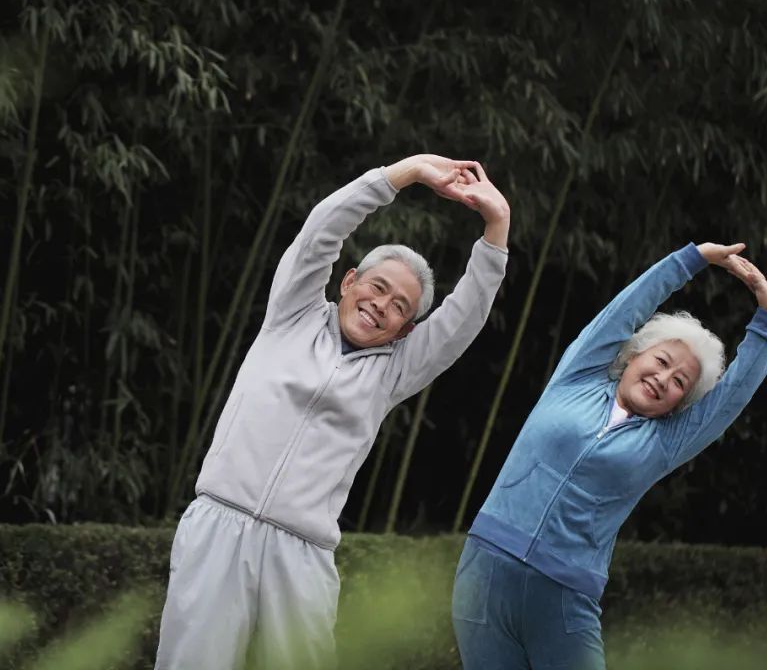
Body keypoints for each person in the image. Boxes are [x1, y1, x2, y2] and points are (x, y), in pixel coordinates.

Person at [155, 154, 511, 670]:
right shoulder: (292, 313)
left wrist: (496, 227)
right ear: (348, 282)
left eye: (400, 307)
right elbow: (322, 230)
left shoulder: (394, 370)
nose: (382, 305)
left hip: (303, 553)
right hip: (219, 525)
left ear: (407, 329)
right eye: (378, 287)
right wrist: (405, 173)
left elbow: (463, 318)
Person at [453, 241, 767, 670]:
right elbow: (627, 308)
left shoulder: (666, 441)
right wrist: (693, 258)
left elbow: (732, 396)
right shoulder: (576, 377)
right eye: (661, 361)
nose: (664, 378)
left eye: (680, 381)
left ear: (681, 401)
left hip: (565, 596)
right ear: (632, 355)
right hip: (484, 571)